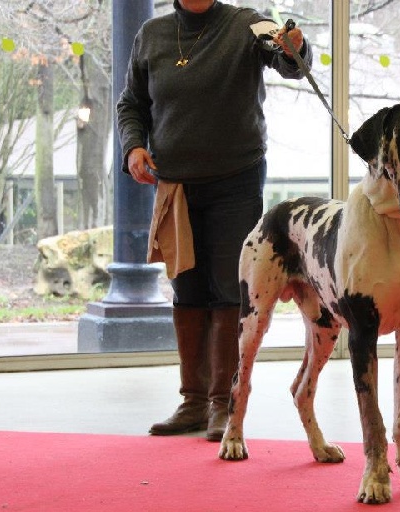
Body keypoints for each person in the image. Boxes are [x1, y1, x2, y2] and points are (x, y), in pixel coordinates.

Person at [116, 0, 312, 441]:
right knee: (186, 289)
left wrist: (295, 48)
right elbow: (132, 103)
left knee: (228, 289)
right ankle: (193, 401)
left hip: (235, 180)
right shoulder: (152, 35)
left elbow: (290, 64)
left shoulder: (248, 23)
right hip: (175, 184)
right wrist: (133, 146)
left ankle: (224, 402)